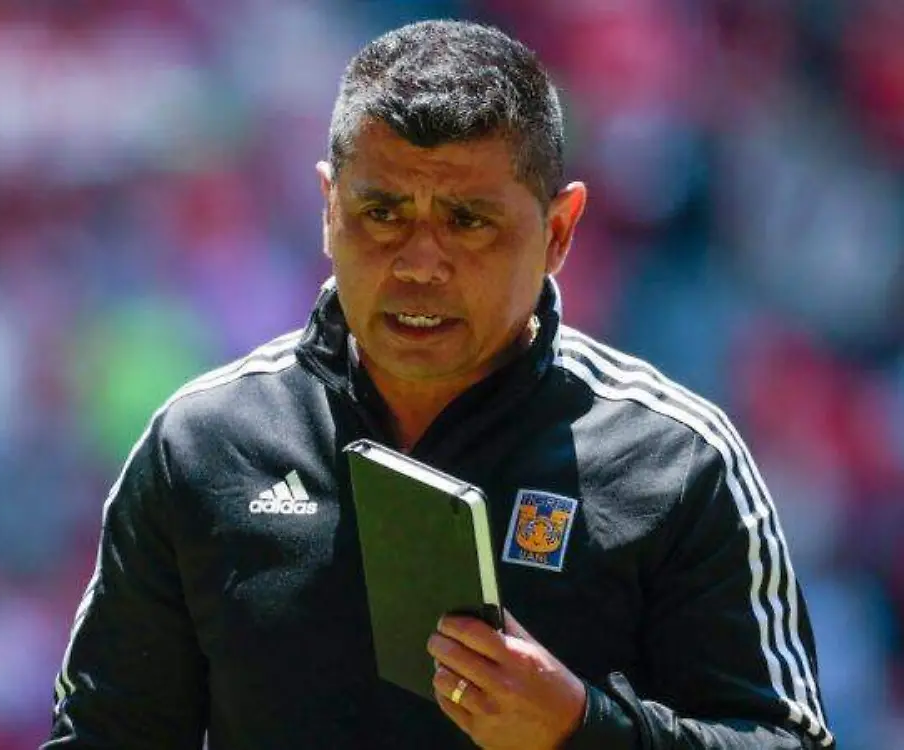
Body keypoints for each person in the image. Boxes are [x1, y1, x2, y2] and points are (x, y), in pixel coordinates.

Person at [42, 19, 834, 750]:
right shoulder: (202, 446)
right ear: (327, 208)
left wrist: (580, 729)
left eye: (469, 221)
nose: (421, 263)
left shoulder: (676, 461)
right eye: (383, 214)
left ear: (559, 232)